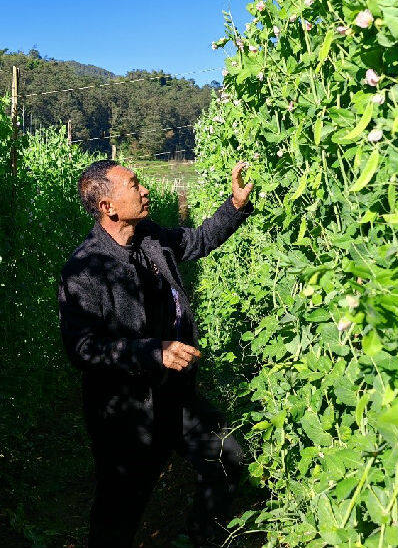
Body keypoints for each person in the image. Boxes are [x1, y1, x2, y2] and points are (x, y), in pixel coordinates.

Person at [57, 159, 255, 547]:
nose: (145, 189)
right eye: (134, 185)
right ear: (108, 207)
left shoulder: (149, 237)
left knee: (228, 457)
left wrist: (235, 206)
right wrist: (153, 352)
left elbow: (195, 240)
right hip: (126, 414)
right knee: (119, 515)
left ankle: (200, 537)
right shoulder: (84, 270)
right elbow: (82, 349)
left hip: (174, 396)